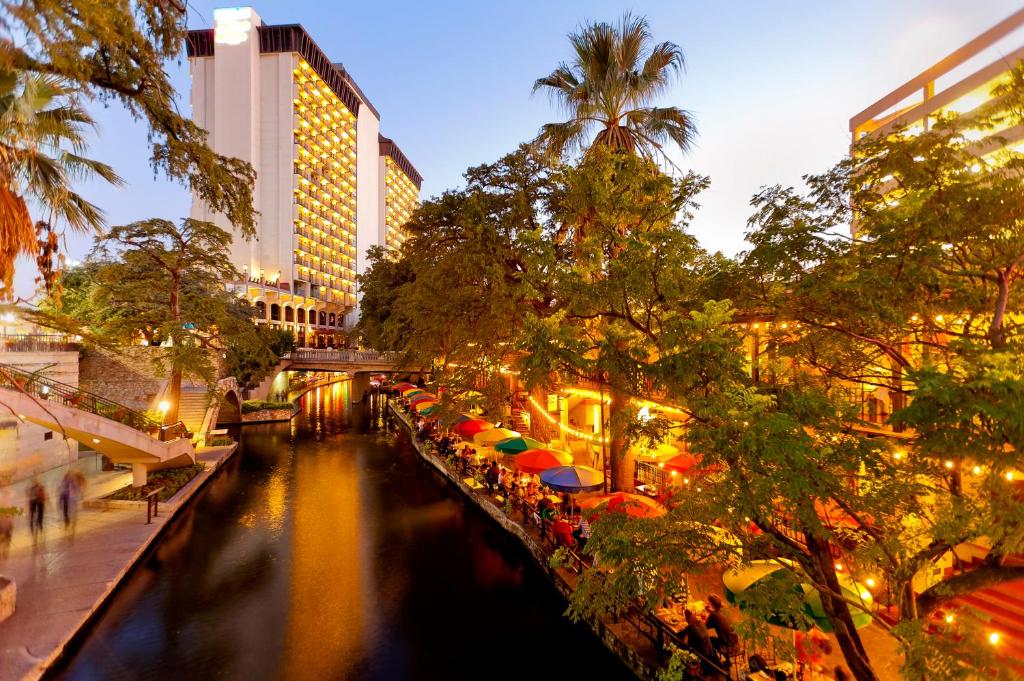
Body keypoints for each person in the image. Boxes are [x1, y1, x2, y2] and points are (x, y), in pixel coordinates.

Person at [680, 608, 721, 679]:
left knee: (681, 645)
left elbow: (685, 639)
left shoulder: (690, 628)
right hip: (709, 651)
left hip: (700, 653)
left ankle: (683, 668)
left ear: (687, 620)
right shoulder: (701, 623)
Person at [705, 593, 740, 660]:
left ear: (711, 604)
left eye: (708, 602)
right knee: (716, 638)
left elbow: (705, 626)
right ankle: (726, 662)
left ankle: (714, 661)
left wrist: (709, 614)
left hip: (727, 647)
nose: (707, 603)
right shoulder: (725, 610)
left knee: (707, 640)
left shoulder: (713, 615)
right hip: (736, 644)